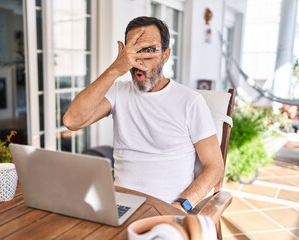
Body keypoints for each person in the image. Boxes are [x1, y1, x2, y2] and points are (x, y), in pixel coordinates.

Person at [63, 16, 224, 212]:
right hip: (119, 205)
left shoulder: (190, 102)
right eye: (133, 50)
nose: (139, 59)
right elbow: (72, 120)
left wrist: (182, 205)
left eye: (148, 50)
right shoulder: (118, 92)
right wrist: (115, 69)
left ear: (165, 55)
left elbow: (215, 167)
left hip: (167, 208)